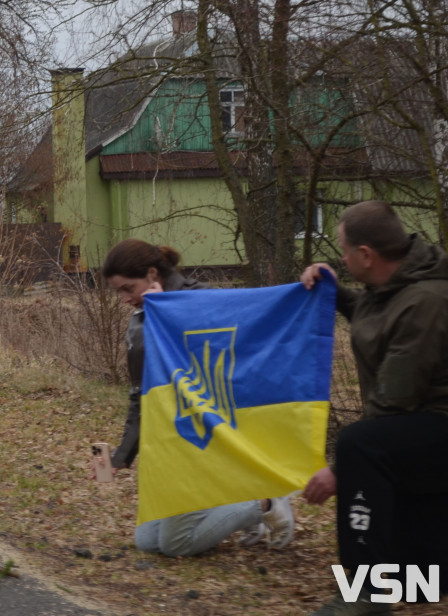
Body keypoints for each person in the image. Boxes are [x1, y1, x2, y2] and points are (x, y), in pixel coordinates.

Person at [100, 238, 295, 557]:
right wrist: (121, 457)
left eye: (127, 288)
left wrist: (172, 315)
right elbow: (142, 396)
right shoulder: (140, 320)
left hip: (207, 437)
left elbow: (249, 340)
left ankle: (267, 503)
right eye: (117, 292)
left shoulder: (203, 299)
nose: (123, 299)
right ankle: (243, 508)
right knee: (147, 541)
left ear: (152, 274)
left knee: (174, 544)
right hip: (173, 439)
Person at [299, 201, 448, 615]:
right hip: (427, 424)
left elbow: (396, 401)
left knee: (362, 444)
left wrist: (339, 471)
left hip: (434, 422)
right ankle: (421, 580)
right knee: (422, 581)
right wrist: (333, 289)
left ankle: (368, 595)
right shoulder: (397, 285)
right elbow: (377, 317)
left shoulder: (426, 301)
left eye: (344, 252)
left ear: (367, 255)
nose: (341, 259)